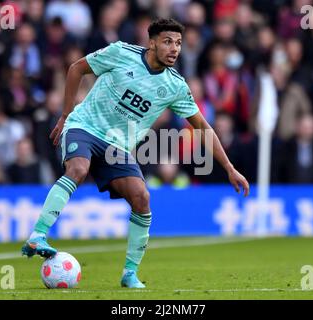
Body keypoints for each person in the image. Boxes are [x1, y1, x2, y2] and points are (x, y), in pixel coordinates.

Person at [21, 18, 249, 289]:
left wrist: (229, 168)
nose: (174, 48)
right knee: (78, 170)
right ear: (151, 42)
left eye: (177, 43)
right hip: (84, 126)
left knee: (142, 197)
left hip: (117, 147)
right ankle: (38, 235)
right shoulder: (120, 53)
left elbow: (203, 127)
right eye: (167, 42)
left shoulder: (175, 86)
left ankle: (129, 273)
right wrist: (66, 115)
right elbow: (76, 69)